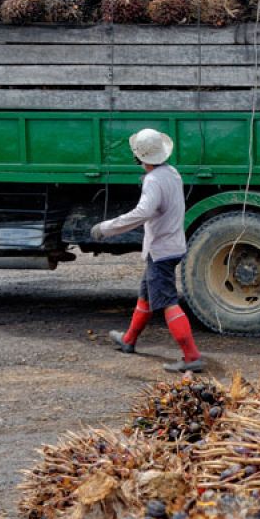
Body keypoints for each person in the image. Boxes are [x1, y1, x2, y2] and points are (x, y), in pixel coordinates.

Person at [91, 128, 204, 373]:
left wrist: (107, 228)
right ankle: (129, 340)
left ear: (139, 158)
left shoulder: (153, 181)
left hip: (161, 250)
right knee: (146, 294)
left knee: (168, 302)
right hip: (171, 245)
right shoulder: (171, 173)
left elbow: (142, 213)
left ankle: (191, 356)